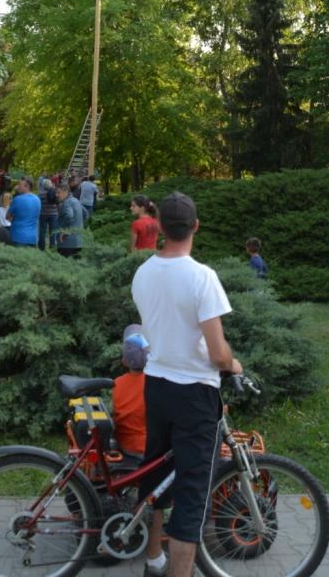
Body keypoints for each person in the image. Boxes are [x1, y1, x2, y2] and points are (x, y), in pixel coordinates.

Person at [132, 191, 242, 577]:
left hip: (156, 384)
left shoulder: (143, 273)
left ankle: (152, 558)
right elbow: (218, 353)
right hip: (194, 392)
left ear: (159, 226)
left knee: (155, 472)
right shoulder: (202, 277)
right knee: (192, 494)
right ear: (195, 226)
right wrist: (233, 363)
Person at [112, 324, 149, 458]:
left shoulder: (117, 383)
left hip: (123, 445)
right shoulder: (154, 383)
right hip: (146, 448)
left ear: (124, 360)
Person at [7, 177, 41, 247]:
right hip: (32, 237)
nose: (17, 187)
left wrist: (15, 219)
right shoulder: (37, 199)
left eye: (20, 185)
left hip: (18, 237)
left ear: (27, 186)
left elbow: (7, 216)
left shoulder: (17, 199)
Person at [55, 182, 84, 258]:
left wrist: (65, 231)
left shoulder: (67, 203)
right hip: (78, 241)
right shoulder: (76, 201)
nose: (56, 195)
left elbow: (69, 216)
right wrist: (78, 224)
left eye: (58, 192)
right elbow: (86, 214)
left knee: (64, 265)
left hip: (66, 243)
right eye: (56, 193)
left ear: (66, 191)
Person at [37, 177, 58, 251]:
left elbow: (38, 204)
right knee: (53, 232)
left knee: (42, 231)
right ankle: (52, 247)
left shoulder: (40, 194)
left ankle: (41, 248)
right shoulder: (55, 193)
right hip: (53, 214)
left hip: (43, 214)